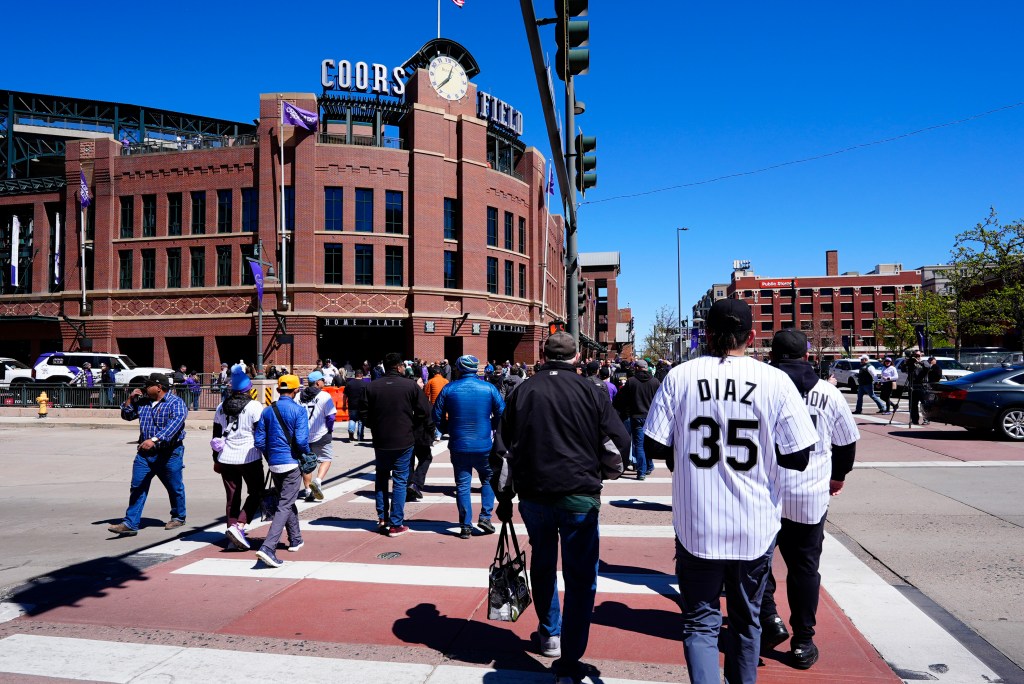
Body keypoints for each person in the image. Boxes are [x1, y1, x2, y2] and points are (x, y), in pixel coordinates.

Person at [642, 299, 818, 684]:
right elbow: (800, 456)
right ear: (751, 336)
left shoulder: (680, 375)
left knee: (700, 623)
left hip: (698, 522)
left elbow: (653, 445)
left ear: (706, 333)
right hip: (754, 523)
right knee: (745, 621)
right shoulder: (774, 380)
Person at [497, 332, 630, 684]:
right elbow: (619, 441)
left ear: (543, 355)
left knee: (542, 564)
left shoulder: (522, 390)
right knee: (581, 576)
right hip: (579, 494)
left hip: (535, 495)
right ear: (576, 356)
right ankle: (571, 655)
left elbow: (504, 448)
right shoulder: (592, 390)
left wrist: (505, 497)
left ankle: (550, 633)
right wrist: (606, 472)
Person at [760, 330, 860, 669]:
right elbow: (846, 443)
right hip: (808, 493)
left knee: (759, 562)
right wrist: (838, 476)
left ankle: (769, 617)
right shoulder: (827, 392)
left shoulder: (760, 388)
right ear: (807, 354)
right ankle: (803, 640)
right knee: (804, 568)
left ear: (772, 354)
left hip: (764, 491)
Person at [360, 352, 433, 537]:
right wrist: (412, 423)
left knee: (381, 479)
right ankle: (396, 523)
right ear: (400, 367)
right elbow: (425, 411)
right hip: (404, 439)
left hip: (381, 440)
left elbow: (363, 414)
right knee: (400, 481)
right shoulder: (410, 386)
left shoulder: (372, 387)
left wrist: (375, 426)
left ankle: (383, 517)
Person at [108, 373, 189, 537]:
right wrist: (130, 399)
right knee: (138, 486)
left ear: (159, 387)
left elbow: (175, 425)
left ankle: (179, 516)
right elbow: (127, 415)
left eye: (148, 385)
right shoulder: (143, 402)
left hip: (169, 453)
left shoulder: (176, 403)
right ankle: (130, 523)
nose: (144, 388)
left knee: (174, 487)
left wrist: (155, 439)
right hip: (145, 454)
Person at [433, 355, 504, 539]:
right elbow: (502, 413)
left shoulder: (449, 388)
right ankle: (485, 517)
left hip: (459, 444)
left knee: (463, 485)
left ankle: (465, 525)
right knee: (488, 479)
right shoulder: (489, 388)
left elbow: (437, 414)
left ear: (458, 368)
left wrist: (447, 429)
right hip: (484, 444)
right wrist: (493, 427)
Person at [252, 375, 308, 567]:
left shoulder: (267, 411)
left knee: (286, 500)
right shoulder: (299, 410)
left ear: (278, 390)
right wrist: (306, 455)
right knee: (284, 504)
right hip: (291, 463)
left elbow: (259, 441)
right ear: (296, 391)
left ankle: (296, 539)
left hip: (275, 463)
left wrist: (271, 457)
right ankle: (268, 547)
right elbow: (301, 441)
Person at [211, 364, 265, 551]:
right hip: (249, 456)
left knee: (232, 497)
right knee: (257, 492)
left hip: (226, 457)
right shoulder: (255, 406)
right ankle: (239, 525)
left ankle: (231, 533)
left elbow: (216, 435)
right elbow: (260, 434)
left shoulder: (220, 407)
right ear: (249, 389)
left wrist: (215, 459)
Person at [613, 358, 661, 480]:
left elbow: (620, 399)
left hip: (636, 416)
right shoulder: (655, 382)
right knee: (648, 443)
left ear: (637, 368)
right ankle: (648, 466)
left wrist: (622, 411)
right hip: (651, 417)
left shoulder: (631, 382)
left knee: (639, 445)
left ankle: (642, 471)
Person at [297, 370, 337, 502]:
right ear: (317, 382)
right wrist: (329, 429)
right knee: (326, 458)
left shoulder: (299, 396)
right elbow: (331, 416)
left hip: (303, 435)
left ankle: (308, 490)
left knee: (306, 463)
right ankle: (318, 481)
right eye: (322, 380)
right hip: (321, 433)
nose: (324, 383)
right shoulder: (324, 396)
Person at [343, 369, 368, 442]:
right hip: (362, 406)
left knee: (352, 419)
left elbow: (345, 395)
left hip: (351, 405)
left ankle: (351, 433)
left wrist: (344, 404)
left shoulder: (349, 383)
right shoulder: (365, 384)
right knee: (361, 421)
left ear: (355, 375)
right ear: (362, 375)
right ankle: (360, 437)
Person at [905, 351, 929, 425]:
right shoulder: (910, 363)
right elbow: (902, 369)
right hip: (912, 385)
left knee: (924, 403)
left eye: (918, 355)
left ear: (921, 355)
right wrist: (907, 362)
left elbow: (928, 367)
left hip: (922, 386)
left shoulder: (924, 362)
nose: (916, 357)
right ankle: (914, 420)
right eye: (915, 355)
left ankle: (926, 419)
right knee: (912, 404)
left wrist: (919, 362)